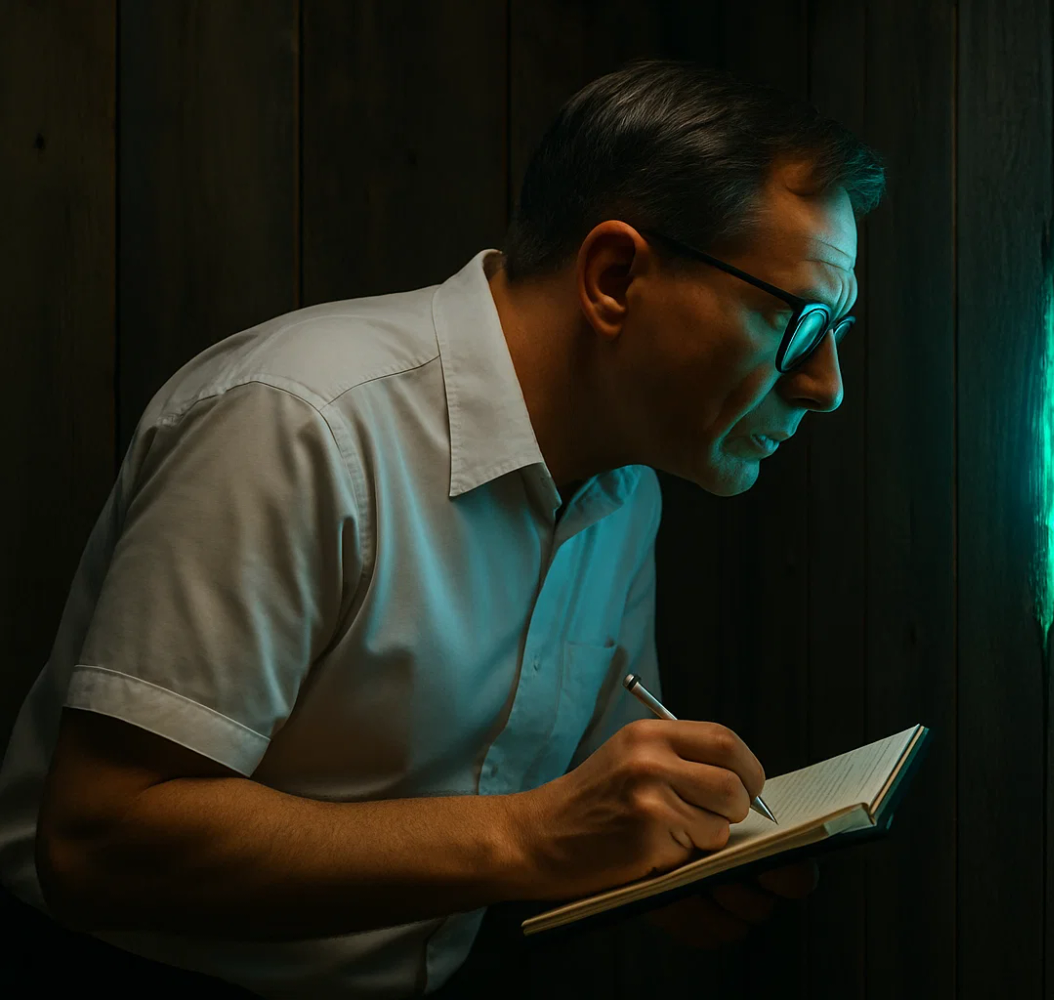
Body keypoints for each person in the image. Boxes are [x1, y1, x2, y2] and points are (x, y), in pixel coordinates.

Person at [0, 57, 884, 998]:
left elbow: (579, 812)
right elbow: (95, 842)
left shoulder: (629, 488)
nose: (826, 384)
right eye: (800, 322)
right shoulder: (301, 422)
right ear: (615, 274)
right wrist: (533, 837)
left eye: (844, 328)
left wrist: (667, 862)